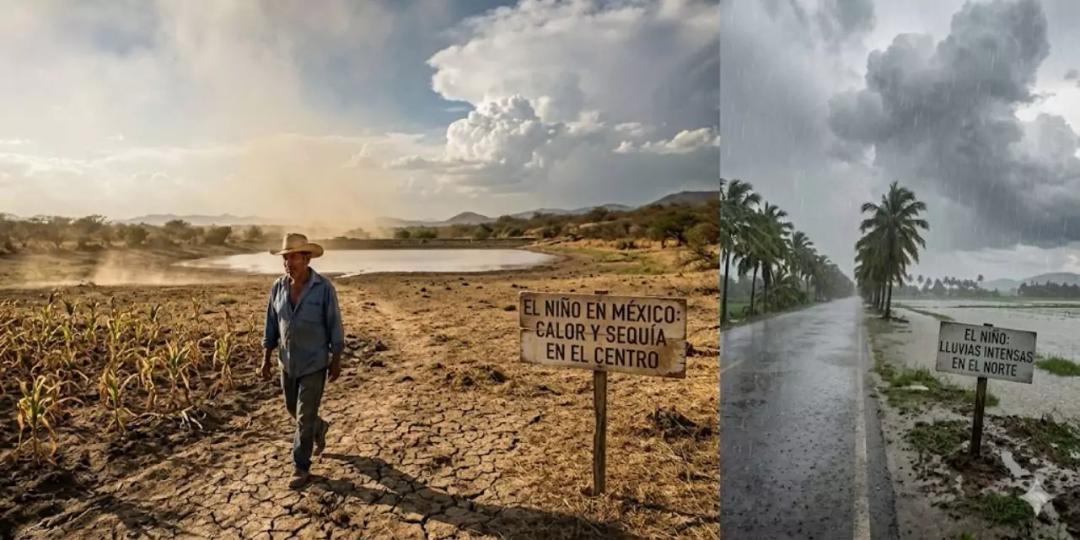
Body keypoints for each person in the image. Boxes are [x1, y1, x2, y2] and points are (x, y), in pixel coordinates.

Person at [261, 233, 345, 489]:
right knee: (293, 410)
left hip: (314, 362)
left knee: (303, 416)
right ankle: (319, 428)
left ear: (306, 259)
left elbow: (334, 323)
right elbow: (271, 325)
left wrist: (336, 358)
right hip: (287, 362)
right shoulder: (278, 287)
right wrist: (265, 358)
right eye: (285, 258)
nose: (288, 263)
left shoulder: (323, 288)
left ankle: (301, 466)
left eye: (293, 257)